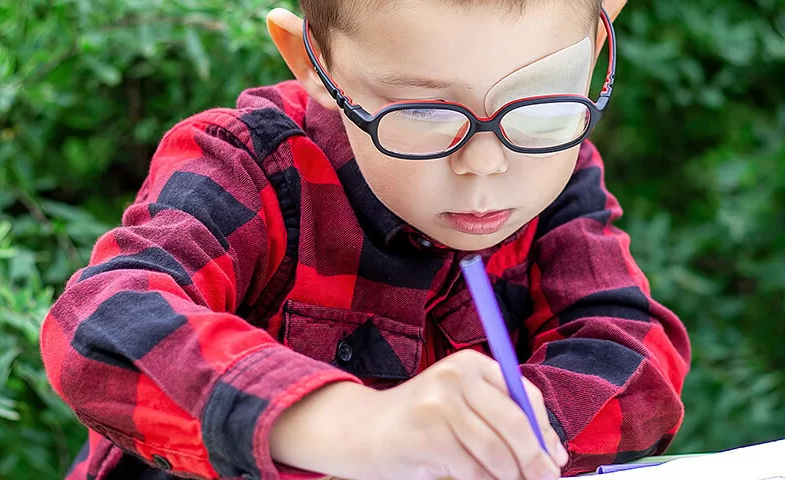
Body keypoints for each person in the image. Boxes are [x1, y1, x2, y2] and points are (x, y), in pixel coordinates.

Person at [38, 0, 691, 479]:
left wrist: (512, 436)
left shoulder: (557, 170)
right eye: (424, 114)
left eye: (545, 104)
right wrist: (351, 426)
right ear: (312, 62)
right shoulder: (252, 163)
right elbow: (100, 324)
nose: (486, 165)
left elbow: (633, 357)